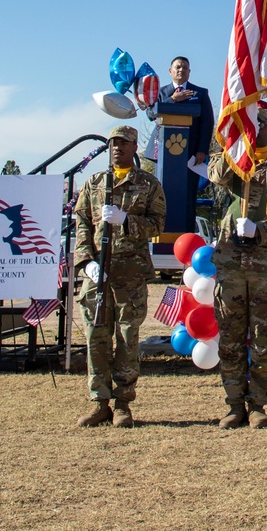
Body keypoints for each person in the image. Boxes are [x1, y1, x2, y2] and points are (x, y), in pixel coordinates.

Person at [207, 103, 267, 429]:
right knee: (231, 338)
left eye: (261, 123)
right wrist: (237, 153)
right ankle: (234, 403)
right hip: (231, 261)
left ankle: (258, 404)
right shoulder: (233, 157)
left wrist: (260, 231)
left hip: (264, 262)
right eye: (250, 123)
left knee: (262, 339)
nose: (256, 128)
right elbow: (215, 176)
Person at [73, 124, 167, 428]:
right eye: (113, 143)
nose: (117, 147)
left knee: (127, 337)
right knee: (96, 337)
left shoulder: (148, 184)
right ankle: (99, 402)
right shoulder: (95, 183)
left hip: (130, 273)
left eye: (123, 143)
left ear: (133, 147)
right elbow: (82, 223)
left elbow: (157, 225)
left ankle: (123, 403)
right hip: (98, 275)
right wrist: (86, 261)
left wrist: (128, 221)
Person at [159, 56, 215, 226]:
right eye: (177, 67)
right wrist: (173, 100)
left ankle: (187, 233)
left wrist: (202, 150)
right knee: (163, 194)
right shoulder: (161, 93)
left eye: (185, 68)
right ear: (170, 71)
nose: (181, 70)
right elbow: (150, 114)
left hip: (190, 154)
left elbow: (208, 122)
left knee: (188, 194)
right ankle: (163, 232)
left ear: (189, 72)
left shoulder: (200, 93)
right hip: (164, 155)